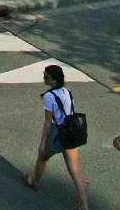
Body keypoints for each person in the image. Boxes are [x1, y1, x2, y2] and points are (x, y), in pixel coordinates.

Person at [22, 64, 88, 208]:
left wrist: (42, 143)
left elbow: (47, 122)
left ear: (54, 81)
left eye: (46, 77)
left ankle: (35, 182)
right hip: (71, 134)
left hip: (57, 134)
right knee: (75, 172)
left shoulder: (49, 96)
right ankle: (84, 206)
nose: (44, 78)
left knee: (42, 158)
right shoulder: (68, 91)